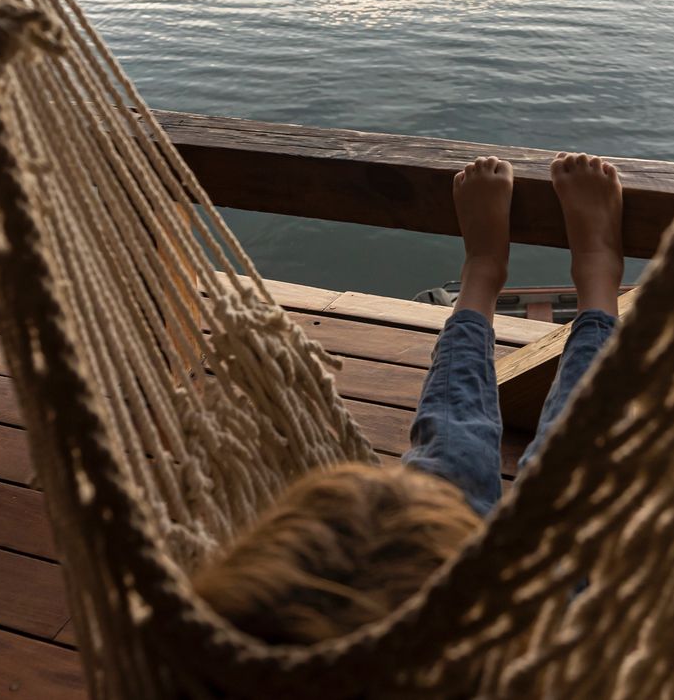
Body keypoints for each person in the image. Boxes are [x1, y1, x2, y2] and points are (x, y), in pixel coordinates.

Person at [193, 153, 624, 645]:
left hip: (404, 633)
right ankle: (594, 279)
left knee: (451, 463)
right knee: (564, 479)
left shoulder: (231, 658)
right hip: (525, 635)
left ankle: (481, 275)